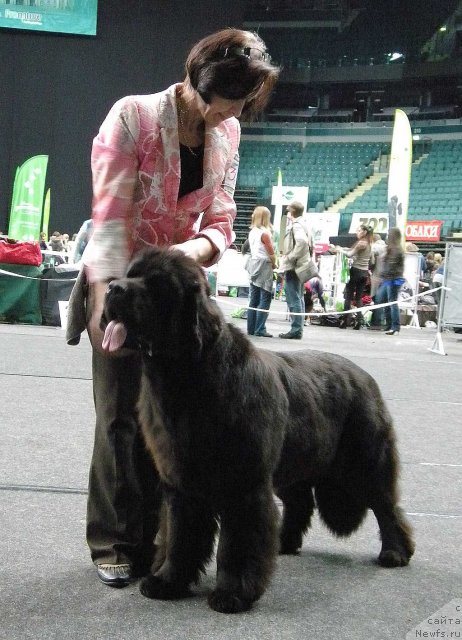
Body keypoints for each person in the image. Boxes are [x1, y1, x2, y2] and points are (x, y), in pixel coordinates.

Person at [65, 28, 279, 588]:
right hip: (120, 283)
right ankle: (114, 539)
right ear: (202, 87)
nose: (240, 111)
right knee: (119, 417)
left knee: (177, 423)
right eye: (236, 99)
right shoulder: (132, 118)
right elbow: (110, 223)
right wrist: (105, 310)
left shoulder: (227, 134)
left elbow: (222, 219)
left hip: (179, 299)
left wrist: (193, 250)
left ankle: (168, 544)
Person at [279, 200, 313, 339]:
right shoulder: (304, 224)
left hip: (294, 266)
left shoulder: (297, 225)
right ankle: (298, 328)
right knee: (299, 298)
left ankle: (296, 329)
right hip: (301, 265)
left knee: (293, 298)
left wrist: (291, 257)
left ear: (291, 211)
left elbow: (302, 242)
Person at [332, 224, 373, 329]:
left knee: (348, 296)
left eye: (358, 230)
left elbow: (350, 254)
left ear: (364, 232)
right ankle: (359, 320)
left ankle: (345, 321)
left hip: (356, 271)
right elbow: (371, 260)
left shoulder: (360, 243)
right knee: (359, 298)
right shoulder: (369, 244)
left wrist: (340, 250)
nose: (357, 232)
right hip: (364, 273)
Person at [245, 206, 277, 337]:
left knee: (254, 298)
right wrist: (275, 263)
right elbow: (271, 252)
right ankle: (260, 329)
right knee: (265, 297)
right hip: (264, 265)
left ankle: (251, 328)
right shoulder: (265, 233)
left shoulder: (252, 231)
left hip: (253, 263)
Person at [374, 227, 405, 335]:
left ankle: (395, 327)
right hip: (388, 278)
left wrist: (382, 274)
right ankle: (389, 324)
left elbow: (391, 265)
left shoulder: (396, 250)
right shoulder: (391, 248)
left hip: (394, 279)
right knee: (382, 299)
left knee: (392, 302)